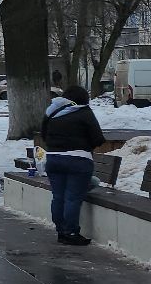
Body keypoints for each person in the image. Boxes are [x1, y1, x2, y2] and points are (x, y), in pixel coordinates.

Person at [41, 84, 105, 246]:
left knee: (58, 197)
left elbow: (43, 135)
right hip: (78, 161)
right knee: (72, 198)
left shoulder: (51, 112)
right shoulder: (84, 112)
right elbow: (98, 138)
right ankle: (71, 232)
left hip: (54, 159)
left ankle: (61, 231)